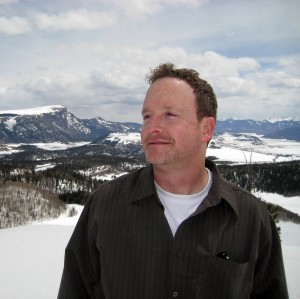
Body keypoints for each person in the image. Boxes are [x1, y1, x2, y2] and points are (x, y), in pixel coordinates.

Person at [58, 63, 288, 299]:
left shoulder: (250, 216)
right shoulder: (105, 205)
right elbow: (75, 290)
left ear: (206, 129)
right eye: (147, 116)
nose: (152, 127)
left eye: (170, 115)